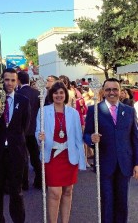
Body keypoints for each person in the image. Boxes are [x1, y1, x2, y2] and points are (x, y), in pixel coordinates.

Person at [84, 78, 138, 223]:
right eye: (108, 89)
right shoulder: (94, 111)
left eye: (115, 89)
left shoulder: (129, 111)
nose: (112, 92)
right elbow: (86, 134)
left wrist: (136, 163)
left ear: (120, 92)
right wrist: (91, 139)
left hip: (124, 164)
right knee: (107, 201)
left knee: (122, 202)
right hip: (104, 163)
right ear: (103, 91)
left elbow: (135, 139)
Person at [36, 81, 86, 223]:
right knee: (54, 192)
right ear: (51, 95)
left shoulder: (73, 113)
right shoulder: (44, 110)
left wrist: (81, 159)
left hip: (69, 156)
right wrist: (40, 137)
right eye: (56, 93)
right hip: (52, 156)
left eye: (61, 93)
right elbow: (37, 130)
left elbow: (77, 136)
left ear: (66, 94)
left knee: (68, 191)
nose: (59, 95)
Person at [0, 68, 30, 223]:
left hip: (16, 153)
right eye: (6, 80)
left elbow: (24, 126)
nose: (9, 83)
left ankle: (18, 219)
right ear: (2, 80)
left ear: (17, 81)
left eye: (13, 80)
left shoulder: (23, 101)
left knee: (16, 191)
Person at [17, 71, 42, 190]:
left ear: (18, 80)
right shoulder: (37, 93)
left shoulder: (18, 94)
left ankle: (24, 182)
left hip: (22, 130)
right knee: (35, 156)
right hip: (35, 128)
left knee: (22, 157)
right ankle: (39, 180)